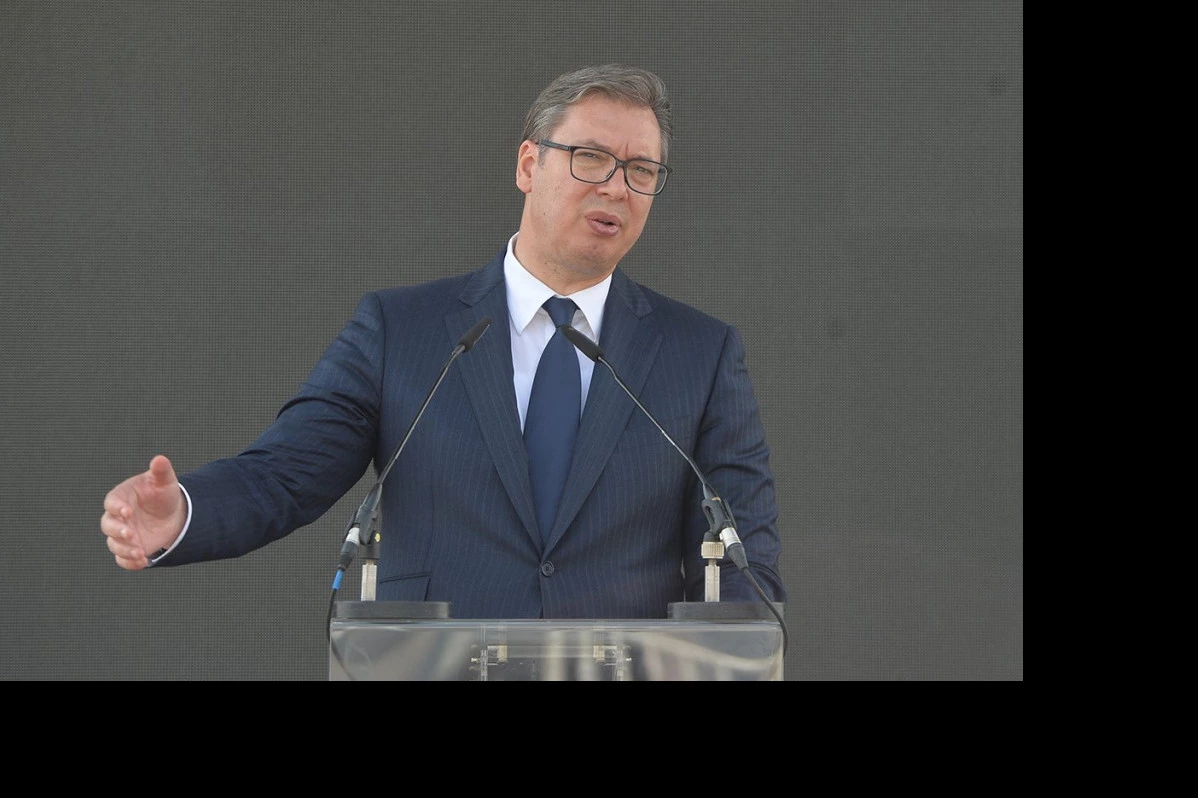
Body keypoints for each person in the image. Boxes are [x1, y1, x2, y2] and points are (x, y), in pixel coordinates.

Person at [100, 63, 786, 619]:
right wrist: (183, 512)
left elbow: (744, 556)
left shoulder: (701, 354)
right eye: (591, 158)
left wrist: (730, 658)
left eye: (641, 171)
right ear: (528, 165)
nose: (616, 187)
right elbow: (284, 475)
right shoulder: (402, 330)